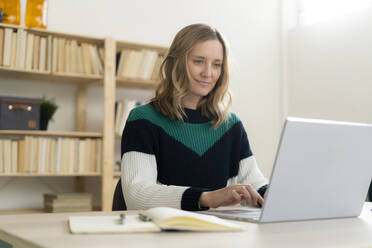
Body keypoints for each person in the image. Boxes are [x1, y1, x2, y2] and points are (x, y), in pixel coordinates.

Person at [121, 23, 268, 211]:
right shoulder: (143, 120)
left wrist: (272, 193)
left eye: (217, 65)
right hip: (161, 235)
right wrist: (205, 198)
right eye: (199, 61)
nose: (208, 73)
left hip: (221, 233)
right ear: (177, 63)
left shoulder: (231, 125)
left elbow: (254, 182)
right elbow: (137, 194)